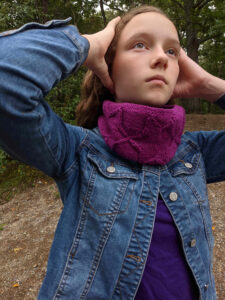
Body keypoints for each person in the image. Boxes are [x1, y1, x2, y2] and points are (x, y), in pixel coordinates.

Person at [0, 5, 224, 300]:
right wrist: (89, 45)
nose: (161, 57)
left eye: (172, 51)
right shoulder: (77, 152)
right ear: (109, 65)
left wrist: (212, 86)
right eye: (139, 45)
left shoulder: (194, 153)